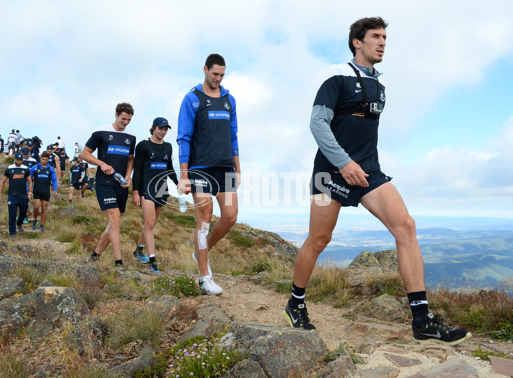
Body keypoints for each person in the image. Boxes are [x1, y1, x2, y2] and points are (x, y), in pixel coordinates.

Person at [283, 17, 471, 346]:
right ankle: (295, 303)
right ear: (357, 42)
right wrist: (344, 163)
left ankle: (421, 319)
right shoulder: (336, 75)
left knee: (406, 226)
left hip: (369, 171)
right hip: (331, 171)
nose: (382, 42)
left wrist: (360, 165)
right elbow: (317, 124)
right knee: (319, 239)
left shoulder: (380, 86)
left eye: (385, 37)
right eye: (375, 36)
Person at [177, 53, 240, 295]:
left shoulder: (229, 99)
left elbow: (233, 135)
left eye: (222, 75)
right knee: (204, 220)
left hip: (225, 168)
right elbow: (183, 138)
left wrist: (238, 167)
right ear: (205, 70)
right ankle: (204, 277)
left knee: (231, 217)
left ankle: (200, 251)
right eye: (215, 74)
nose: (218, 78)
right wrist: (184, 176)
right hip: (199, 169)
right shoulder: (192, 99)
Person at [80, 103, 136, 267]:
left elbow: (131, 158)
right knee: (115, 221)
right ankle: (118, 262)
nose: (125, 123)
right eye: (123, 119)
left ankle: (95, 254)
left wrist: (128, 176)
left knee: (114, 223)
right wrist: (101, 164)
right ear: (116, 115)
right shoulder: (101, 132)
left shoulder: (131, 136)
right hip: (105, 183)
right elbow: (84, 154)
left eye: (129, 120)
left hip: (121, 185)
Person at [132, 117, 179, 275]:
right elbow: (137, 170)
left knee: (151, 224)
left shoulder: (168, 147)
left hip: (161, 190)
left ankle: (138, 250)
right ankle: (153, 261)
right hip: (146, 189)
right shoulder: (143, 145)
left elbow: (169, 168)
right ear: (153, 128)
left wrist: (178, 182)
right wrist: (135, 192)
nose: (163, 132)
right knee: (150, 223)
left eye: (166, 129)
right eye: (160, 128)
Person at [0, 153, 33, 240]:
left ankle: (19, 224)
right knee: (12, 214)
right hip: (12, 195)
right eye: (17, 160)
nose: (19, 161)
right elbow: (3, 181)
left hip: (23, 195)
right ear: (15, 159)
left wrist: (30, 193)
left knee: (24, 213)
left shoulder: (26, 169)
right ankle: (12, 233)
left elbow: (30, 181)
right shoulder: (9, 169)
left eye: (21, 160)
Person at [30, 152, 58, 232]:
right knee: (36, 207)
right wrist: (28, 189)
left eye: (46, 160)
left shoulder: (50, 169)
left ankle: (42, 225)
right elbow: (29, 179)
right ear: (40, 159)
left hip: (46, 191)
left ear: (48, 160)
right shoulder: (34, 168)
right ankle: (34, 220)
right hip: (37, 190)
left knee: (44, 208)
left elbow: (54, 180)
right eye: (43, 159)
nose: (44, 161)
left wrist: (55, 189)